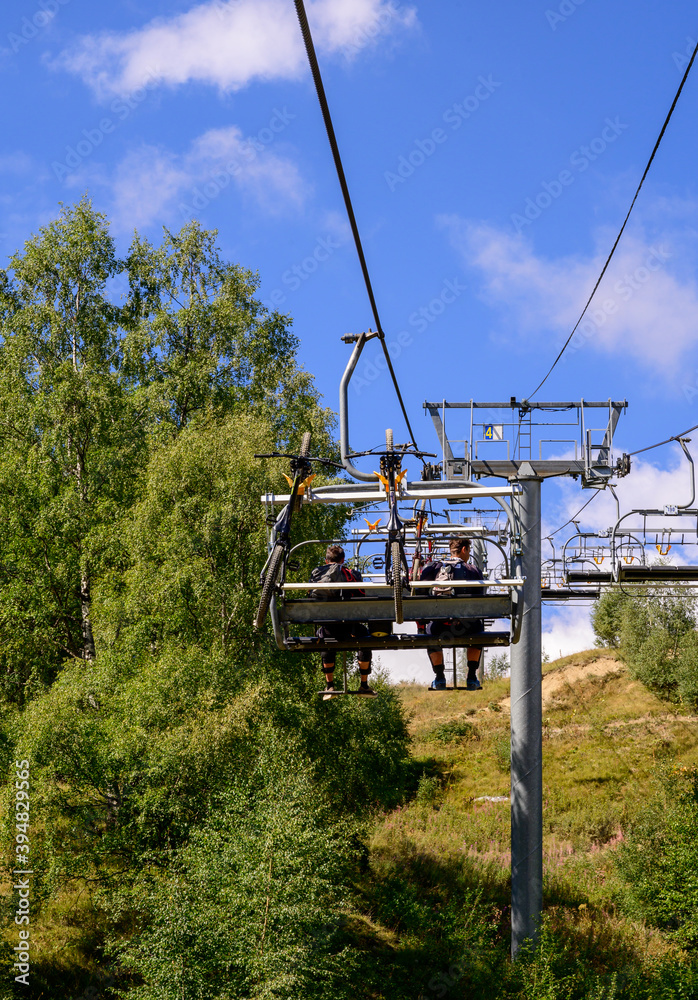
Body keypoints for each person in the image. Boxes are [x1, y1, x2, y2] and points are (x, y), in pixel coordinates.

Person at [309, 544, 375, 697]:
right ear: (343, 560)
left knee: (324, 636)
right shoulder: (353, 574)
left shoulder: (317, 574)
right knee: (365, 638)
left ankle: (330, 686)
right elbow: (361, 598)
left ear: (326, 561)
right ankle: (364, 685)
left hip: (328, 628)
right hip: (351, 629)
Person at [420, 536, 484, 691]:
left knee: (429, 633)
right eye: (468, 551)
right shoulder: (473, 571)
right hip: (466, 626)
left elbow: (420, 592)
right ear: (464, 550)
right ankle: (471, 677)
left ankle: (440, 677)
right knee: (479, 631)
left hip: (439, 627)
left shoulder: (434, 568)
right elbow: (479, 599)